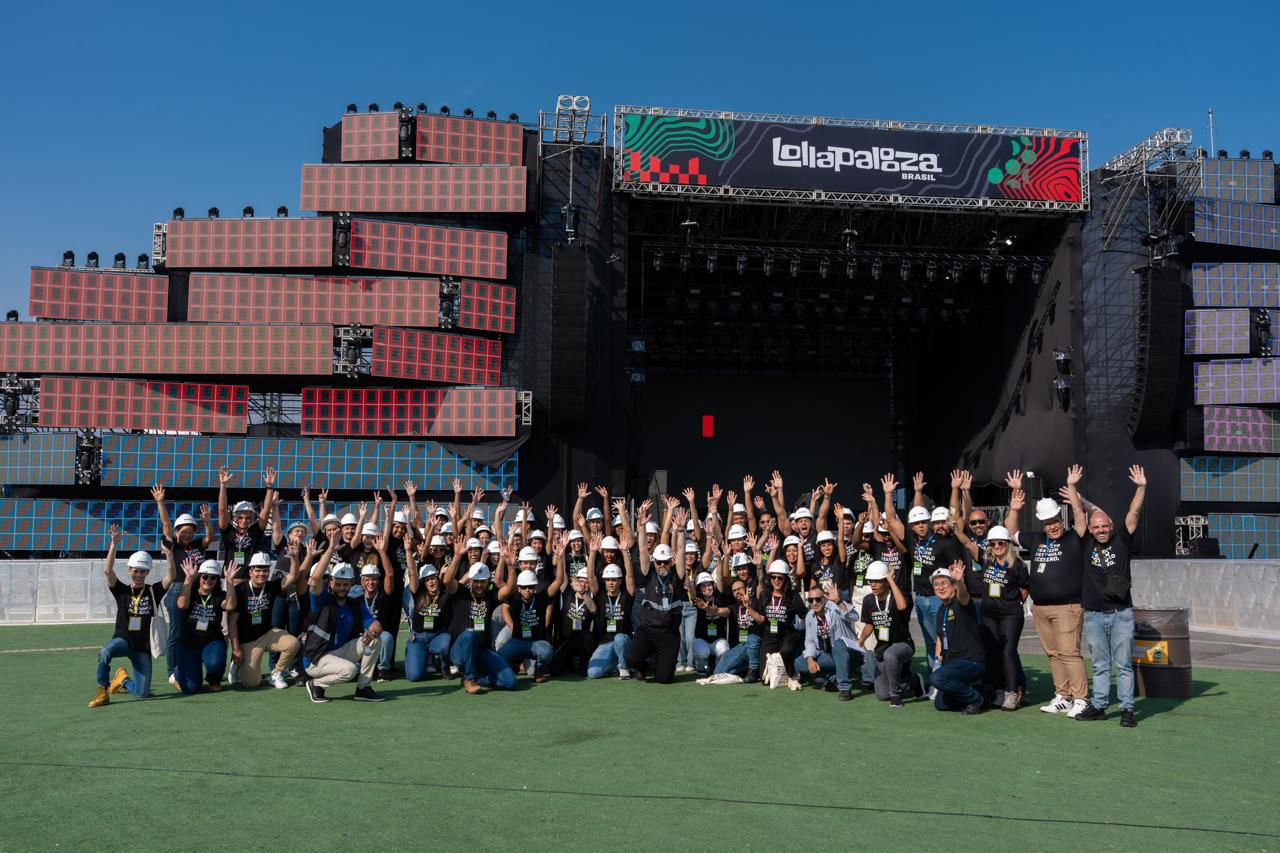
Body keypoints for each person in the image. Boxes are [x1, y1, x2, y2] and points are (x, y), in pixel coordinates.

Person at [1066, 464, 1146, 728]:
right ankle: (1099, 706)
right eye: (1096, 527)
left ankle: (1127, 710)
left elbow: (1133, 512)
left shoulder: (1122, 539)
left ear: (1111, 526)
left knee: (1122, 664)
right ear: (1090, 529)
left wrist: (1141, 487)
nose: (1100, 530)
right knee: (1100, 664)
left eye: (1104, 526)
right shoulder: (1084, 540)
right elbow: (1078, 511)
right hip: (1094, 615)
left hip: (1121, 613)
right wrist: (1073, 486)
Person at [1005, 469, 1089, 717]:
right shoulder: (1037, 539)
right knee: (1053, 654)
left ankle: (1081, 699)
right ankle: (1062, 696)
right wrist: (1015, 506)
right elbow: (1010, 532)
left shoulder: (1075, 538)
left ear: (1061, 520)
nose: (1052, 526)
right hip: (1040, 607)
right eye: (1048, 523)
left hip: (1068, 606)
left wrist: (1072, 489)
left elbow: (1080, 517)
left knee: (1069, 653)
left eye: (1055, 521)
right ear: (1042, 523)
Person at [89, 525, 178, 708]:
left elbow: (172, 576)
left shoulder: (153, 591)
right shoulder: (121, 591)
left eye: (142, 571)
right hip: (123, 640)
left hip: (142, 647)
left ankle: (122, 679)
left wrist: (169, 553)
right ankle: (103, 690)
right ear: (129, 570)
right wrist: (114, 544)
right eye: (135, 570)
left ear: (147, 572)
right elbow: (108, 571)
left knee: (142, 693)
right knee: (105, 651)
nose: (138, 575)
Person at [300, 559, 384, 703]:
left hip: (339, 653)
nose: (341, 588)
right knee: (350, 670)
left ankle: (363, 689)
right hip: (316, 659)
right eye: (338, 584)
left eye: (345, 584)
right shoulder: (322, 601)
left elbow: (376, 625)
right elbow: (314, 580)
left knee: (375, 640)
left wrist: (372, 633)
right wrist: (331, 548)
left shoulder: (354, 604)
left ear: (351, 584)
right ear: (331, 583)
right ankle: (316, 684)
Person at [445, 536, 518, 693]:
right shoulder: (461, 593)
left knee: (510, 682)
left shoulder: (490, 596)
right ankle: (469, 678)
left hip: (482, 651)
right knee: (470, 634)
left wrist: (510, 566)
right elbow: (447, 581)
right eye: (476, 581)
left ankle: (479, 676)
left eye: (482, 581)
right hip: (459, 652)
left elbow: (510, 589)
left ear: (487, 582)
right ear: (470, 581)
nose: (479, 585)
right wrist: (457, 556)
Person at [625, 506, 689, 683]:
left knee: (664, 679)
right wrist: (642, 527)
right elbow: (644, 552)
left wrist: (681, 530)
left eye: (666, 562)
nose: (662, 565)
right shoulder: (648, 574)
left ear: (671, 562)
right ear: (655, 563)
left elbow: (682, 552)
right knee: (630, 659)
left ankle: (661, 665)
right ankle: (643, 666)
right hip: (647, 630)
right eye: (659, 562)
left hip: (669, 635)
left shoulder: (678, 576)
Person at [228, 550, 300, 689]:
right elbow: (232, 621)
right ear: (250, 571)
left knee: (293, 643)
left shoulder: (271, 586)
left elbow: (293, 576)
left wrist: (295, 558)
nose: (262, 574)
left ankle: (276, 673)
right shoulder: (240, 590)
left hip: (267, 634)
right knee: (251, 683)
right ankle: (236, 664)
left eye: (265, 570)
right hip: (248, 640)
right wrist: (236, 648)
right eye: (258, 570)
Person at [978, 525, 1030, 711]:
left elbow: (1025, 588)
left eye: (1001, 543)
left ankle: (1011, 692)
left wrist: (1011, 603)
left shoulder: (1017, 564)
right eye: (993, 543)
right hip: (989, 614)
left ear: (1008, 544)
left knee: (1008, 651)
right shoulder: (987, 561)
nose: (997, 546)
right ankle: (999, 690)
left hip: (1010, 614)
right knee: (992, 651)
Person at [858, 560, 921, 708]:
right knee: (881, 694)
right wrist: (861, 639)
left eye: (878, 581)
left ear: (885, 582)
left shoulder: (896, 596)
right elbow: (869, 624)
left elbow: (902, 605)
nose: (873, 585)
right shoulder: (868, 600)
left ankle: (895, 695)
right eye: (871, 581)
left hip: (903, 644)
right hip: (882, 648)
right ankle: (912, 682)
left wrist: (891, 580)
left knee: (890, 655)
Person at [175, 557, 238, 695]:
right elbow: (181, 604)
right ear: (199, 577)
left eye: (213, 578)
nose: (208, 580)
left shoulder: (219, 596)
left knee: (215, 663)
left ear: (217, 581)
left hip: (211, 641)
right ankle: (180, 671)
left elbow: (230, 605)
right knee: (191, 689)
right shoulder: (190, 591)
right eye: (205, 576)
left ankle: (214, 679)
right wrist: (188, 579)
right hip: (188, 643)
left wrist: (230, 581)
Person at [929, 563, 986, 714]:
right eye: (936, 585)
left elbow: (964, 595)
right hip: (953, 663)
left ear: (953, 586)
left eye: (944, 583)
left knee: (937, 679)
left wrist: (960, 581)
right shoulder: (941, 610)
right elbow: (940, 637)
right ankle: (980, 690)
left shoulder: (961, 603)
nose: (940, 588)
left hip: (971, 660)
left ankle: (975, 698)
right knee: (941, 704)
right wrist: (937, 660)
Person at [797, 581, 862, 700]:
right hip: (829, 655)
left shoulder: (835, 607)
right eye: (810, 600)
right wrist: (810, 660)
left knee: (838, 644)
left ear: (824, 598)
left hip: (850, 653)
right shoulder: (809, 616)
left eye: (818, 599)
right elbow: (809, 641)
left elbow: (854, 617)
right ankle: (834, 678)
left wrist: (838, 601)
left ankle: (845, 688)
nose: (814, 603)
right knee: (800, 663)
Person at [498, 567, 561, 682]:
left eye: (531, 587)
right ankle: (512, 668)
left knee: (547, 651)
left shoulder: (541, 598)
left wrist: (560, 557)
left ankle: (539, 670)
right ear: (518, 588)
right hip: (518, 642)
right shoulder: (515, 598)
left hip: (536, 642)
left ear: (535, 587)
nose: (527, 590)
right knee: (500, 656)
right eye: (523, 587)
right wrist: (510, 566)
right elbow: (504, 606)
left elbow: (558, 581)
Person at [758, 559, 806, 689]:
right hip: (770, 634)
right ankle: (779, 662)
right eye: (773, 577)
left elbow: (805, 615)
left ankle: (793, 675)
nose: (777, 581)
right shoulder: (764, 595)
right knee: (764, 680)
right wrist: (749, 608)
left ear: (786, 579)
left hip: (788, 633)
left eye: (780, 578)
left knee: (786, 650)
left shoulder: (793, 596)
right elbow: (760, 617)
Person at [404, 555, 452, 683]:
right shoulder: (419, 593)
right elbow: (413, 573)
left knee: (446, 642)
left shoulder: (444, 594)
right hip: (418, 638)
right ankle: (421, 658)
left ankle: (444, 666)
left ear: (437, 579)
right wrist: (408, 551)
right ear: (423, 583)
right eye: (427, 580)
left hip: (437, 636)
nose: (431, 582)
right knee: (414, 677)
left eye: (433, 579)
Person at [713, 575, 765, 681]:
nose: (738, 592)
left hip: (755, 647)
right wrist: (706, 607)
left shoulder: (757, 602)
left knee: (751, 638)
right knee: (718, 673)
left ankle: (753, 670)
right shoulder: (733, 608)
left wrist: (748, 607)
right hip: (741, 648)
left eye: (740, 588)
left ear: (747, 589)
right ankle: (748, 669)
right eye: (734, 590)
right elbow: (717, 611)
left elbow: (760, 620)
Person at [688, 570, 728, 673]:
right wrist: (689, 582)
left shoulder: (719, 598)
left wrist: (719, 560)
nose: (707, 588)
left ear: (713, 586)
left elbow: (719, 578)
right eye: (703, 586)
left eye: (709, 584)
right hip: (702, 639)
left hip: (717, 640)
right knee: (702, 652)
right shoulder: (698, 600)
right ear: (699, 589)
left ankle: (718, 669)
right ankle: (700, 667)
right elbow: (692, 593)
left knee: (724, 649)